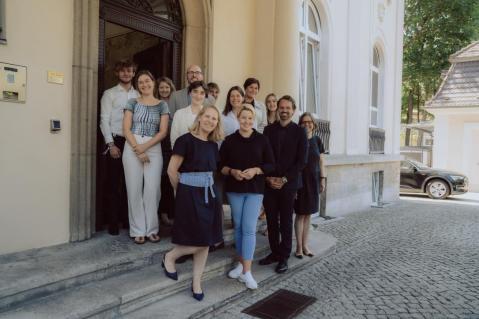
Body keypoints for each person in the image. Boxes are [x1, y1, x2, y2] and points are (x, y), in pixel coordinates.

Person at [163, 105, 224, 301]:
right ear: (199, 117)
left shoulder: (213, 145)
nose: (210, 121)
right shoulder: (185, 140)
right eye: (207, 116)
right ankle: (171, 257)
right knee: (199, 239)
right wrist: (179, 193)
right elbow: (172, 171)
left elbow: (212, 172)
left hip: (209, 194)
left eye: (214, 119)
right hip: (188, 194)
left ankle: (197, 281)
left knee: (206, 241)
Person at [220, 106, 274, 289]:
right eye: (243, 117)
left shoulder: (262, 140)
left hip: (255, 189)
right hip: (234, 189)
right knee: (239, 228)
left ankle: (247, 272)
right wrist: (232, 171)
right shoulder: (229, 141)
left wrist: (257, 170)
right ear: (238, 118)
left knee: (249, 228)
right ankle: (240, 263)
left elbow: (270, 164)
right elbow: (221, 166)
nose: (246, 121)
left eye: (250, 118)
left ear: (254, 120)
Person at [259, 95, 308, 273]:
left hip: (289, 184)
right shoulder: (268, 130)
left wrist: (284, 179)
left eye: (288, 108)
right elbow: (263, 155)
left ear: (293, 110)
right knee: (271, 221)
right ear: (277, 109)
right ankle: (274, 253)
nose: (284, 110)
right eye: (282, 107)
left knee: (286, 221)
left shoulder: (300, 132)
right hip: (270, 183)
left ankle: (284, 257)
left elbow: (301, 161)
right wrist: (269, 178)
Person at [122, 70, 170, 244]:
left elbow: (163, 131)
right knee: (134, 189)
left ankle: (151, 228)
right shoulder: (132, 102)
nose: (144, 84)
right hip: (132, 146)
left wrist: (145, 148)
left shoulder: (162, 105)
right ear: (137, 85)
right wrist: (138, 149)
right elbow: (126, 129)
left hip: (153, 147)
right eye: (140, 82)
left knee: (152, 190)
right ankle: (137, 230)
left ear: (153, 82)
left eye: (147, 81)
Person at [99, 59, 139, 235]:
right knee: (114, 183)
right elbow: (104, 120)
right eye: (123, 71)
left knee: (131, 182)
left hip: (133, 142)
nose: (126, 74)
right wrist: (111, 144)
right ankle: (113, 222)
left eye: (129, 71)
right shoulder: (110, 94)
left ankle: (127, 220)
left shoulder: (138, 95)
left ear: (133, 73)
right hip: (116, 142)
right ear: (117, 73)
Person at [294, 112, 326, 258]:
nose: (307, 124)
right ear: (300, 124)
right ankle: (299, 247)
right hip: (300, 181)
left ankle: (306, 245)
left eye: (309, 122)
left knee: (308, 215)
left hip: (313, 180)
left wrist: (323, 178)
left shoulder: (318, 140)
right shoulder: (297, 140)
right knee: (300, 214)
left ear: (314, 124)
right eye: (304, 122)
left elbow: (321, 161)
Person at [157, 76, 176, 227]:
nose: (164, 90)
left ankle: (171, 212)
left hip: (174, 145)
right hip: (159, 145)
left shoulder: (175, 104)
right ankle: (162, 213)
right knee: (162, 181)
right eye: (161, 87)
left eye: (167, 87)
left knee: (172, 181)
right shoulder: (155, 103)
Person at [170, 81, 207, 147]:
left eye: (202, 93)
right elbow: (174, 139)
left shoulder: (208, 115)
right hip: (182, 154)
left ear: (205, 96)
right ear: (190, 93)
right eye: (195, 91)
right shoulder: (179, 114)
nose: (198, 96)